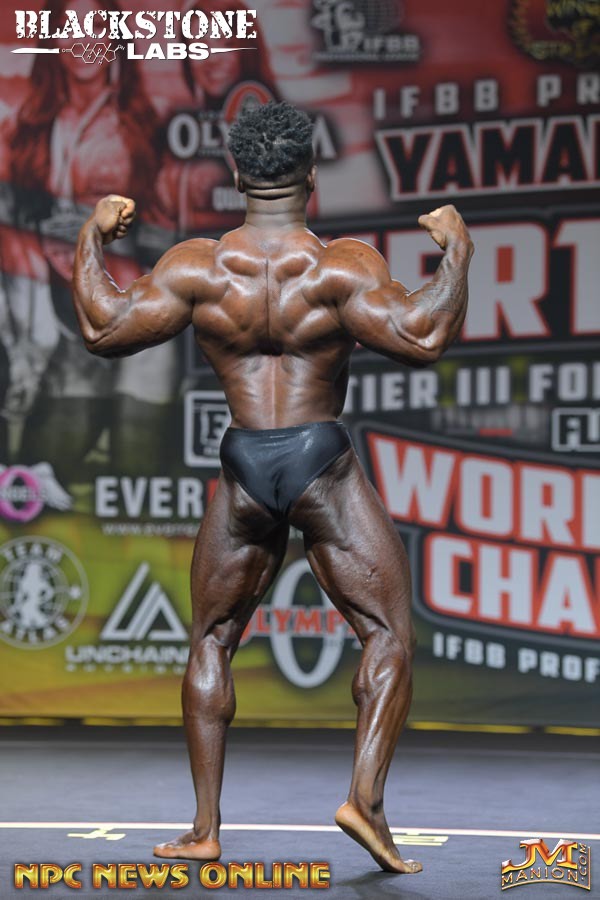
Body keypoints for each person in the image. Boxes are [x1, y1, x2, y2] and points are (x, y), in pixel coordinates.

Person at [72, 101, 473, 875]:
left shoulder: (196, 268)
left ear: (235, 174)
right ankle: (364, 801)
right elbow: (423, 336)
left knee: (212, 640)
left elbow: (105, 328)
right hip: (320, 459)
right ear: (311, 177)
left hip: (244, 463)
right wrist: (456, 250)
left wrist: (91, 235)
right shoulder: (339, 267)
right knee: (387, 634)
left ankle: (203, 829)